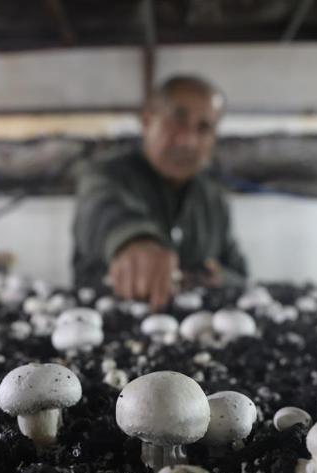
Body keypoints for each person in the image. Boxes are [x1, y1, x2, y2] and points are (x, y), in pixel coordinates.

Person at [72, 74, 248, 310]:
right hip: (104, 322)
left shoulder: (213, 198)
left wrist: (215, 278)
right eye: (178, 120)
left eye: (204, 128)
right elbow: (99, 210)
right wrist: (134, 241)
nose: (188, 141)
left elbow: (239, 275)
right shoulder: (107, 174)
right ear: (147, 121)